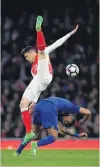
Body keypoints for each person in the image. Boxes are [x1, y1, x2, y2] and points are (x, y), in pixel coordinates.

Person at [19, 15, 79, 145]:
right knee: (23, 105)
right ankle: (29, 133)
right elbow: (39, 85)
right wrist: (34, 101)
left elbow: (58, 43)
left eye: (26, 56)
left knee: (43, 51)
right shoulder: (31, 69)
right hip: (42, 80)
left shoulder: (42, 53)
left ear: (30, 53)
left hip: (45, 72)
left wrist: (70, 33)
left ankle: (38, 30)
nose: (26, 59)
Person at [14, 97, 90, 156]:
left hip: (39, 105)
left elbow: (62, 129)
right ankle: (36, 144)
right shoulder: (72, 108)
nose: (65, 122)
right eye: (67, 122)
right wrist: (83, 120)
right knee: (54, 136)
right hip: (49, 106)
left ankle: (18, 152)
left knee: (33, 133)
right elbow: (88, 112)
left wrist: (77, 135)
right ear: (71, 115)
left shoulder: (61, 114)